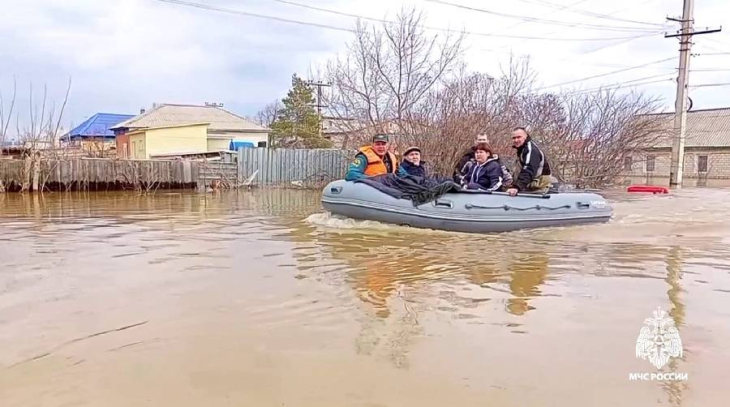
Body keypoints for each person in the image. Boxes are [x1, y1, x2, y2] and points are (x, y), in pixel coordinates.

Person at [506, 127, 552, 196]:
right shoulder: (523, 149)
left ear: (525, 136)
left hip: (537, 189)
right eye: (514, 138)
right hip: (529, 187)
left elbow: (528, 169)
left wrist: (517, 187)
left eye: (519, 137)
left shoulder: (531, 150)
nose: (516, 140)